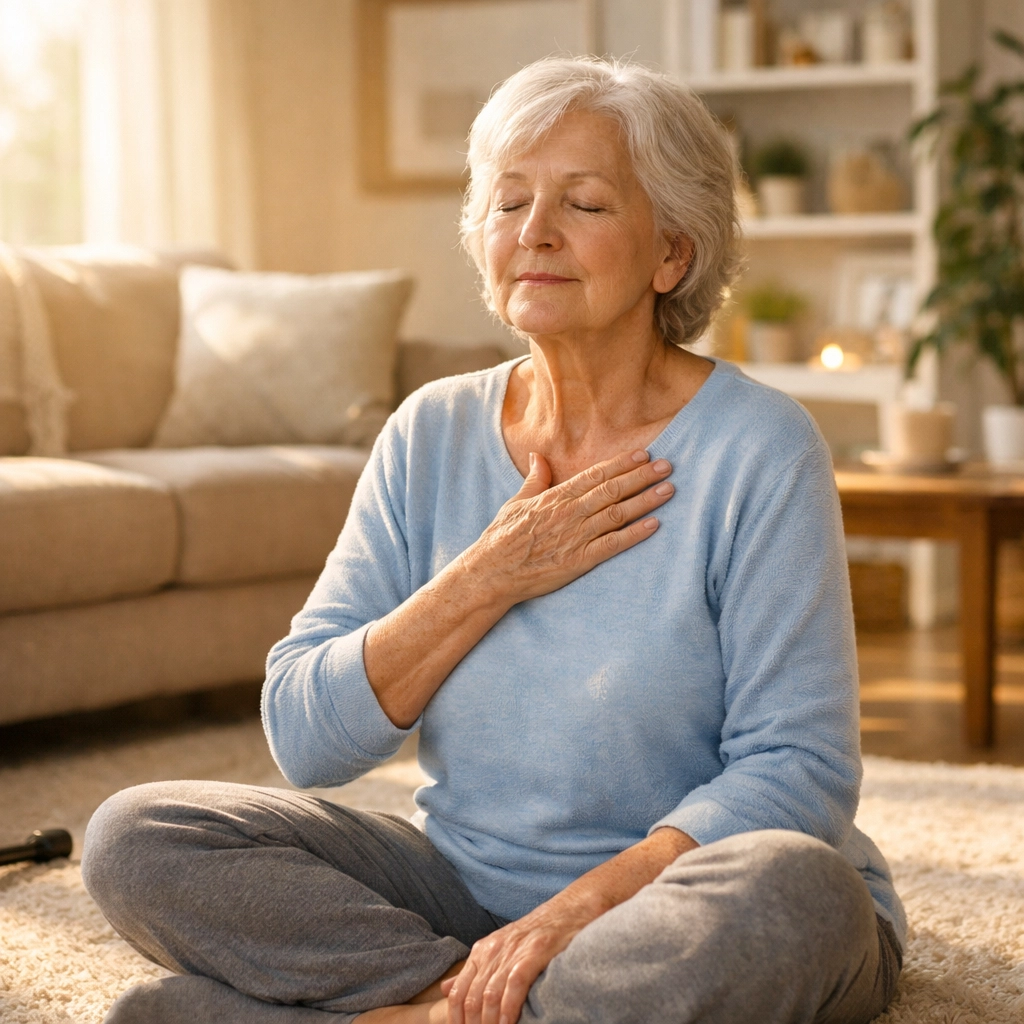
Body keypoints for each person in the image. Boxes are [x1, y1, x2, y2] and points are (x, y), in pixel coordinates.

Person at [83, 57, 905, 1024]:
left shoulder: (759, 448)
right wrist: (489, 573)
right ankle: (459, 1004)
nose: (535, 233)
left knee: (799, 897)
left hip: (674, 903)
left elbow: (800, 770)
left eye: (585, 204)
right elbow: (303, 736)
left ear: (671, 255)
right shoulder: (430, 432)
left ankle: (389, 1011)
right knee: (138, 835)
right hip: (463, 897)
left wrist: (572, 915)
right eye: (509, 201)